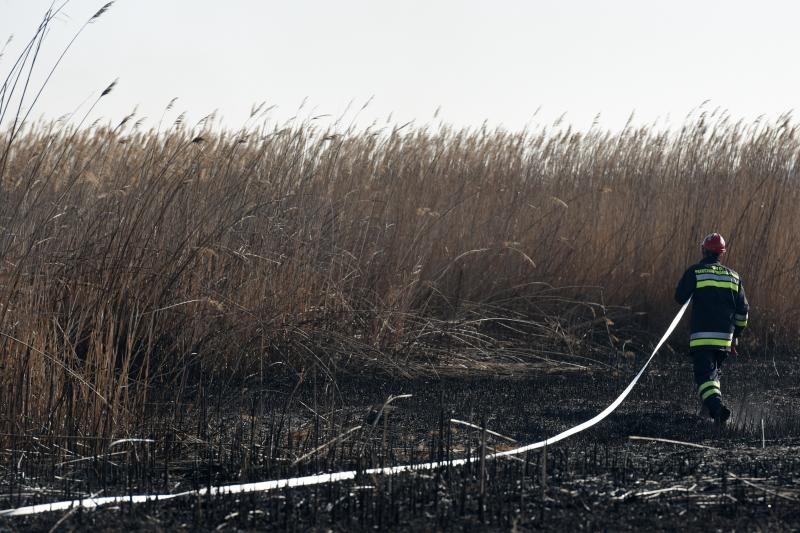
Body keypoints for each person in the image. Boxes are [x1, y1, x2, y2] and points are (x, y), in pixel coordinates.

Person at [674, 232, 749, 426]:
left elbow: (680, 297)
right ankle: (706, 412)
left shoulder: (696, 271)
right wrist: (736, 336)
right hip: (725, 339)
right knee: (713, 375)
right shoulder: (734, 277)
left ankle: (717, 409)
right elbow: (743, 311)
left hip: (702, 337)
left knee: (704, 376)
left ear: (703, 250)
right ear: (721, 253)